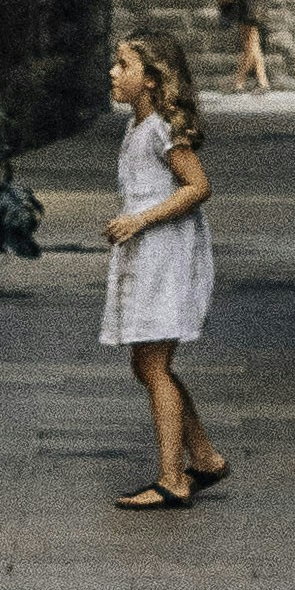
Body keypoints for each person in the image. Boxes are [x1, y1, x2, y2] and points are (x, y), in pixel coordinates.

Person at [101, 32, 225, 508]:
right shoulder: (138, 126)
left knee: (153, 365)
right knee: (148, 363)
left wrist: (140, 219)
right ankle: (206, 458)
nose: (113, 72)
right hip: (149, 252)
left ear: (150, 81)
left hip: (165, 253)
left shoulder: (159, 129)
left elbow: (197, 186)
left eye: (123, 65)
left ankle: (173, 478)